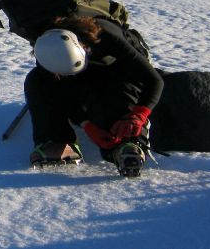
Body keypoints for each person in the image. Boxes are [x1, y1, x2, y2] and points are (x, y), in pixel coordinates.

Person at [25, 15, 164, 177]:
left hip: (118, 70)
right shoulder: (47, 50)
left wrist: (138, 115)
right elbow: (62, 92)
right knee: (36, 81)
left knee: (118, 96)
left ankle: (129, 143)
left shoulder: (107, 36)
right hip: (80, 77)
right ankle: (56, 140)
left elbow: (154, 80)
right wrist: (86, 124)